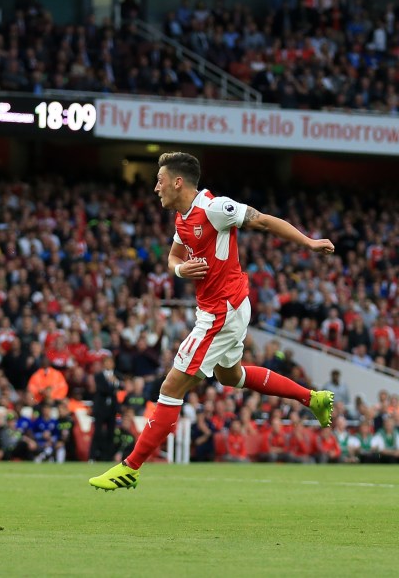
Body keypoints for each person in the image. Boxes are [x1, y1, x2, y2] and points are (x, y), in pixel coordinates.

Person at [90, 152, 336, 490]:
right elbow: (173, 257)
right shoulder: (182, 216)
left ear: (178, 182)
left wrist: (308, 242)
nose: (155, 188)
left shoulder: (215, 208)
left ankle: (130, 466)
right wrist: (180, 269)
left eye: (159, 180)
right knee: (230, 375)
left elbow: (262, 220)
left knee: (171, 387)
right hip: (223, 308)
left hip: (222, 311)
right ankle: (313, 398)